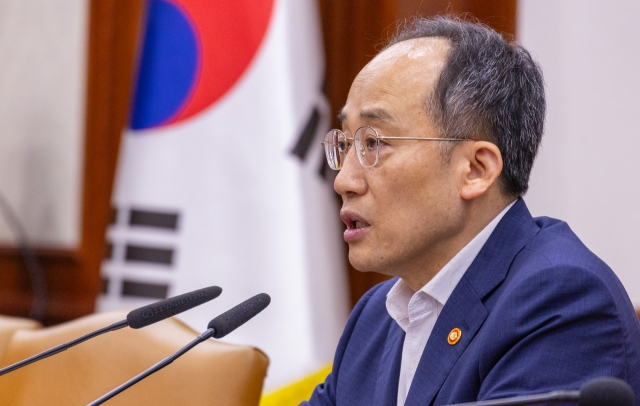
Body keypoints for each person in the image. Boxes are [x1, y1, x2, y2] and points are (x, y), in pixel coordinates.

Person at [302, 16, 640, 406]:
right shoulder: (375, 318)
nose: (344, 180)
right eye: (344, 144)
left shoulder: (561, 303)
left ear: (476, 170)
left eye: (374, 143)